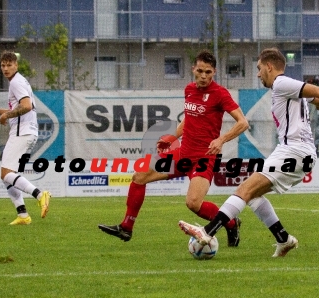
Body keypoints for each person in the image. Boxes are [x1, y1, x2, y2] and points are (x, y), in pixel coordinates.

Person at [179, 47, 319, 257]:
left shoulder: (281, 83)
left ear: (269, 67)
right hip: (296, 152)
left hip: (294, 151)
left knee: (244, 190)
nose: (258, 74)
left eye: (259, 69)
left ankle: (207, 232)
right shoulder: (291, 88)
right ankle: (283, 239)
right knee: (252, 196)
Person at [99, 50, 249, 247]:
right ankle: (126, 228)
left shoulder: (220, 94)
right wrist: (172, 137)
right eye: (200, 71)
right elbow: (189, 117)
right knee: (139, 177)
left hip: (204, 158)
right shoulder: (189, 89)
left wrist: (222, 139)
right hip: (182, 153)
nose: (203, 76)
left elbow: (243, 122)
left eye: (208, 72)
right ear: (193, 69)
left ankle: (230, 222)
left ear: (214, 73)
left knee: (193, 203)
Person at [0, 51, 50, 225]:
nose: (5, 68)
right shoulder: (18, 81)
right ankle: (22, 215)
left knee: (6, 174)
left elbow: (26, 106)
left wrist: (6, 116)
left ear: (16, 65)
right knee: (8, 175)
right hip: (26, 131)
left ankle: (40, 195)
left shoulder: (16, 83)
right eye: (3, 65)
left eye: (9, 65)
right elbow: (22, 107)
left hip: (23, 132)